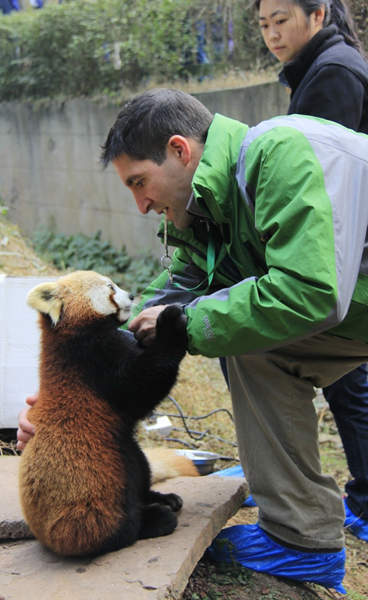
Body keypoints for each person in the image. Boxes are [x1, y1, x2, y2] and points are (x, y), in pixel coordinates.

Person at [18, 87, 368, 592]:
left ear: (180, 151)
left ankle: (301, 537)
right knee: (248, 339)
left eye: (140, 183)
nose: (140, 205)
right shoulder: (206, 204)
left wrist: (183, 326)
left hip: (344, 303)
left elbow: (309, 292)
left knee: (249, 338)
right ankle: (295, 517)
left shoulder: (280, 154)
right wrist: (62, 404)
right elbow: (175, 296)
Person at [254, 0, 368, 543]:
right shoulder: (322, 68)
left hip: (352, 252)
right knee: (351, 382)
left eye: (282, 20)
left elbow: (326, 174)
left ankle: (358, 506)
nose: (273, 34)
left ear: (317, 15)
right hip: (352, 249)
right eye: (264, 25)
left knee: (348, 381)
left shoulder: (334, 74)